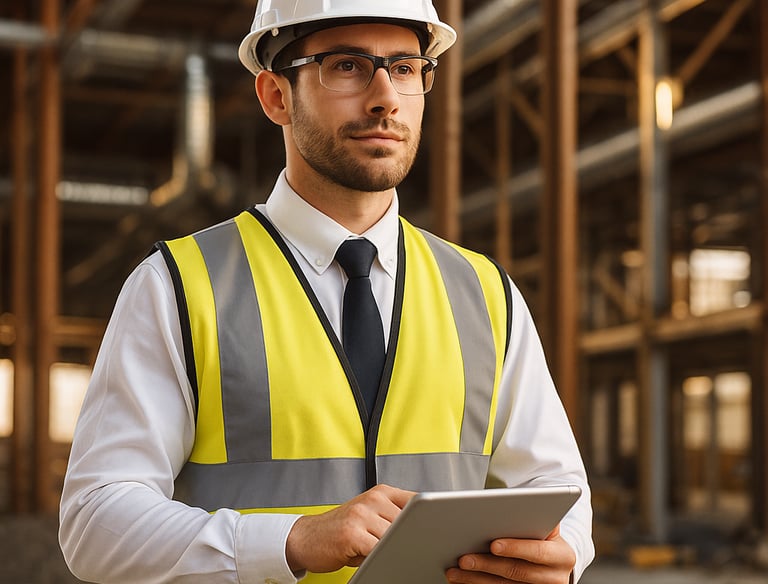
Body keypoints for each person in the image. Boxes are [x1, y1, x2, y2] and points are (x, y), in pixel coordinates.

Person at [59, 1, 595, 583]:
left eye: (407, 68)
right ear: (275, 97)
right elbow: (94, 524)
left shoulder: (486, 292)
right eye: (346, 65)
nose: (385, 97)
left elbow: (558, 489)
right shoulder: (178, 288)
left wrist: (559, 556)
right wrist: (288, 541)